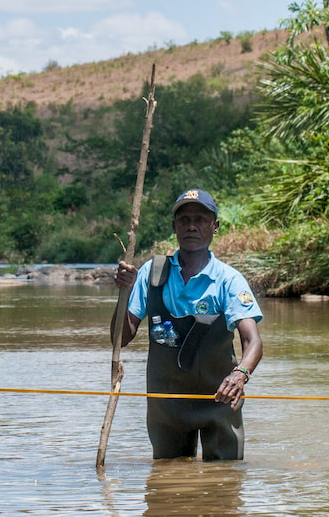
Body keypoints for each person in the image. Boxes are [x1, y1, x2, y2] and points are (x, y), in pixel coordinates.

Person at [113, 188, 263, 461]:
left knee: (224, 484)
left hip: (219, 398)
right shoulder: (152, 273)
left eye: (200, 220)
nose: (191, 226)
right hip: (166, 404)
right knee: (167, 482)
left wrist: (240, 373)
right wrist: (124, 293)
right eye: (184, 220)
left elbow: (253, 342)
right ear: (174, 227)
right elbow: (119, 339)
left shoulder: (229, 280)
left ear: (214, 227)